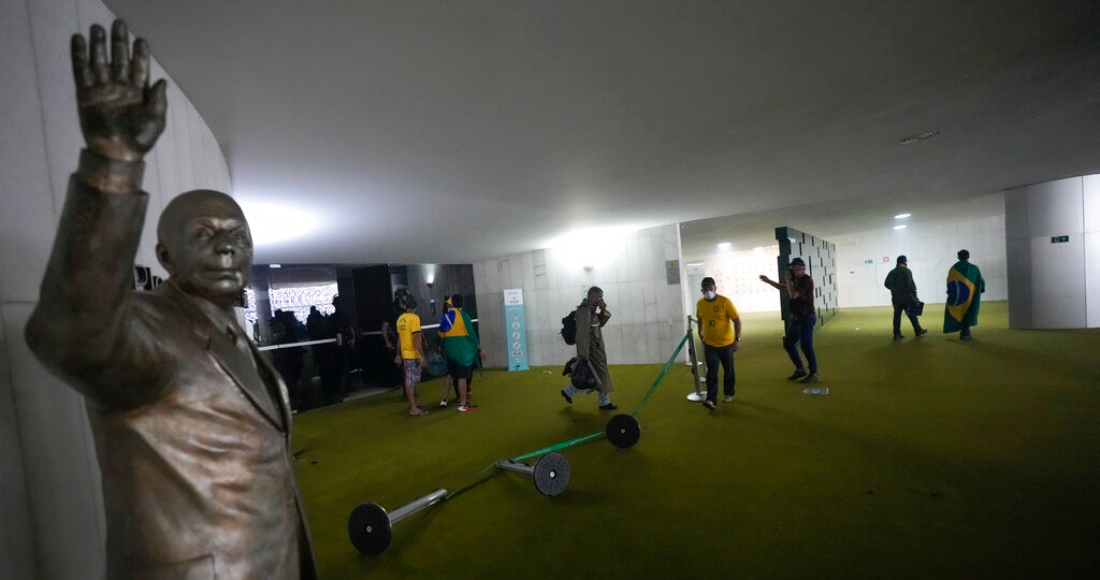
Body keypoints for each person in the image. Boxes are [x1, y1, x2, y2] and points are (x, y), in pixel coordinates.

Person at [22, 21, 315, 578]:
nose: (228, 247)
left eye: (238, 234)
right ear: (164, 255)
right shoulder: (150, 331)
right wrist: (113, 162)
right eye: (204, 235)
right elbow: (69, 333)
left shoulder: (231, 333)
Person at [759, 257, 820, 383]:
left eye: (793, 268)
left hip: (806, 317)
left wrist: (788, 279)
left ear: (800, 268)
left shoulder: (806, 280)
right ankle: (800, 369)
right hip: (797, 319)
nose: (791, 270)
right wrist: (769, 281)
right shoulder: (795, 280)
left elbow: (793, 295)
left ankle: (814, 373)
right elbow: (784, 288)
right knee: (788, 343)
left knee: (806, 345)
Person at [560, 287, 617, 410]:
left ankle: (568, 392)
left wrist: (603, 310)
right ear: (591, 296)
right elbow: (582, 334)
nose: (601, 299)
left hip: (596, 350)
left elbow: (599, 324)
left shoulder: (591, 310)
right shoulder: (584, 311)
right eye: (599, 297)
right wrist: (583, 354)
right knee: (600, 375)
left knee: (588, 376)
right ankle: (604, 402)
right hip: (591, 352)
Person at [695, 277, 743, 409]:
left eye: (710, 287)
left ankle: (729, 393)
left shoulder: (725, 302)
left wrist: (737, 339)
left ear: (715, 288)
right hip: (710, 345)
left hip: (726, 344)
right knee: (711, 372)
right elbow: (699, 318)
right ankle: (711, 399)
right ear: (701, 290)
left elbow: (737, 320)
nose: (708, 290)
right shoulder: (700, 303)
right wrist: (700, 332)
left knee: (729, 370)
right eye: (705, 288)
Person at [438, 294, 480, 411]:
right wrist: (477, 347)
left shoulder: (446, 316)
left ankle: (444, 400)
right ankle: (462, 404)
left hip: (450, 352)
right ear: (462, 303)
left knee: (450, 375)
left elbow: (440, 335)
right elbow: (471, 334)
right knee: (462, 377)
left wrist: (440, 347)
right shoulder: (464, 316)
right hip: (462, 353)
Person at [395, 295, 429, 416]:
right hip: (412, 354)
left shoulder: (400, 319)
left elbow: (399, 338)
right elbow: (416, 338)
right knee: (410, 381)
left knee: (412, 380)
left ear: (406, 306)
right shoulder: (414, 318)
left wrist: (398, 354)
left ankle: (413, 403)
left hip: (405, 353)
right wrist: (422, 356)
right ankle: (413, 408)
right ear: (415, 307)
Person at [944, 249, 986, 340]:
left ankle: (965, 332)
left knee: (959, 311)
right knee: (968, 312)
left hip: (957, 296)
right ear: (968, 256)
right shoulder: (974, 268)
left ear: (958, 257)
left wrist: (950, 292)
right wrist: (981, 289)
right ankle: (965, 333)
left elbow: (949, 281)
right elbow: (980, 281)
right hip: (970, 295)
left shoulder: (953, 268)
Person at [884, 255, 927, 339]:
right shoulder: (907, 271)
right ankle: (918, 330)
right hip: (907, 298)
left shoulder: (892, 272)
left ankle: (896, 334)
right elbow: (911, 286)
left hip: (896, 298)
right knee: (912, 315)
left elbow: (886, 284)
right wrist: (915, 297)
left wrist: (894, 289)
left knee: (897, 316)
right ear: (905, 262)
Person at [381, 287, 409, 386]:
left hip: (409, 340)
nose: (406, 297)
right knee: (402, 367)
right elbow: (384, 328)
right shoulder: (392, 310)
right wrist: (388, 342)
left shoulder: (408, 308)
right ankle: (407, 390)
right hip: (398, 340)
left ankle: (409, 389)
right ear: (400, 297)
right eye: (405, 295)